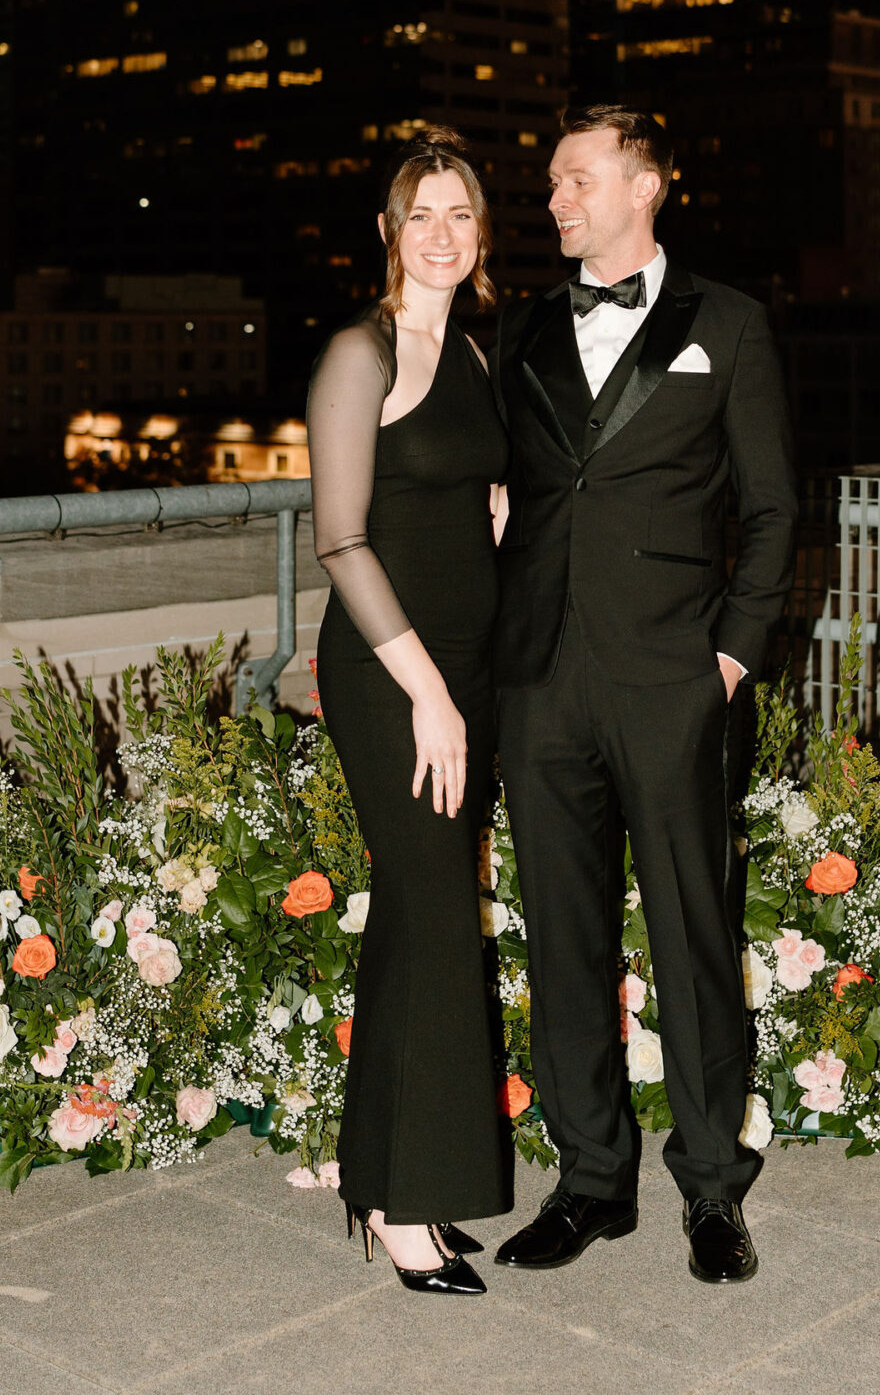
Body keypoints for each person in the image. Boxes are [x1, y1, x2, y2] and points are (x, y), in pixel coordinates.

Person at [490, 104, 796, 1287]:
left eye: (576, 179)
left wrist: (728, 655)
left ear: (645, 185)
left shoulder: (729, 324)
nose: (556, 199)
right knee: (564, 934)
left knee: (692, 934)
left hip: (675, 678)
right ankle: (589, 1181)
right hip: (540, 680)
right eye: (554, 181)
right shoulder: (520, 327)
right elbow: (498, 479)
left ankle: (713, 1188)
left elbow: (771, 510)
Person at [307, 129, 512, 1295]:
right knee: (437, 912)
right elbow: (342, 538)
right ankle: (406, 1209)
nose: (442, 234)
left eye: (462, 214)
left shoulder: (476, 357)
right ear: (388, 233)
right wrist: (429, 689)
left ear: (481, 235)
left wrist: (488, 513)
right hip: (395, 676)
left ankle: (372, 1170)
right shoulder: (359, 353)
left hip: (467, 666)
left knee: (418, 911)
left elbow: (469, 486)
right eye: (421, 214)